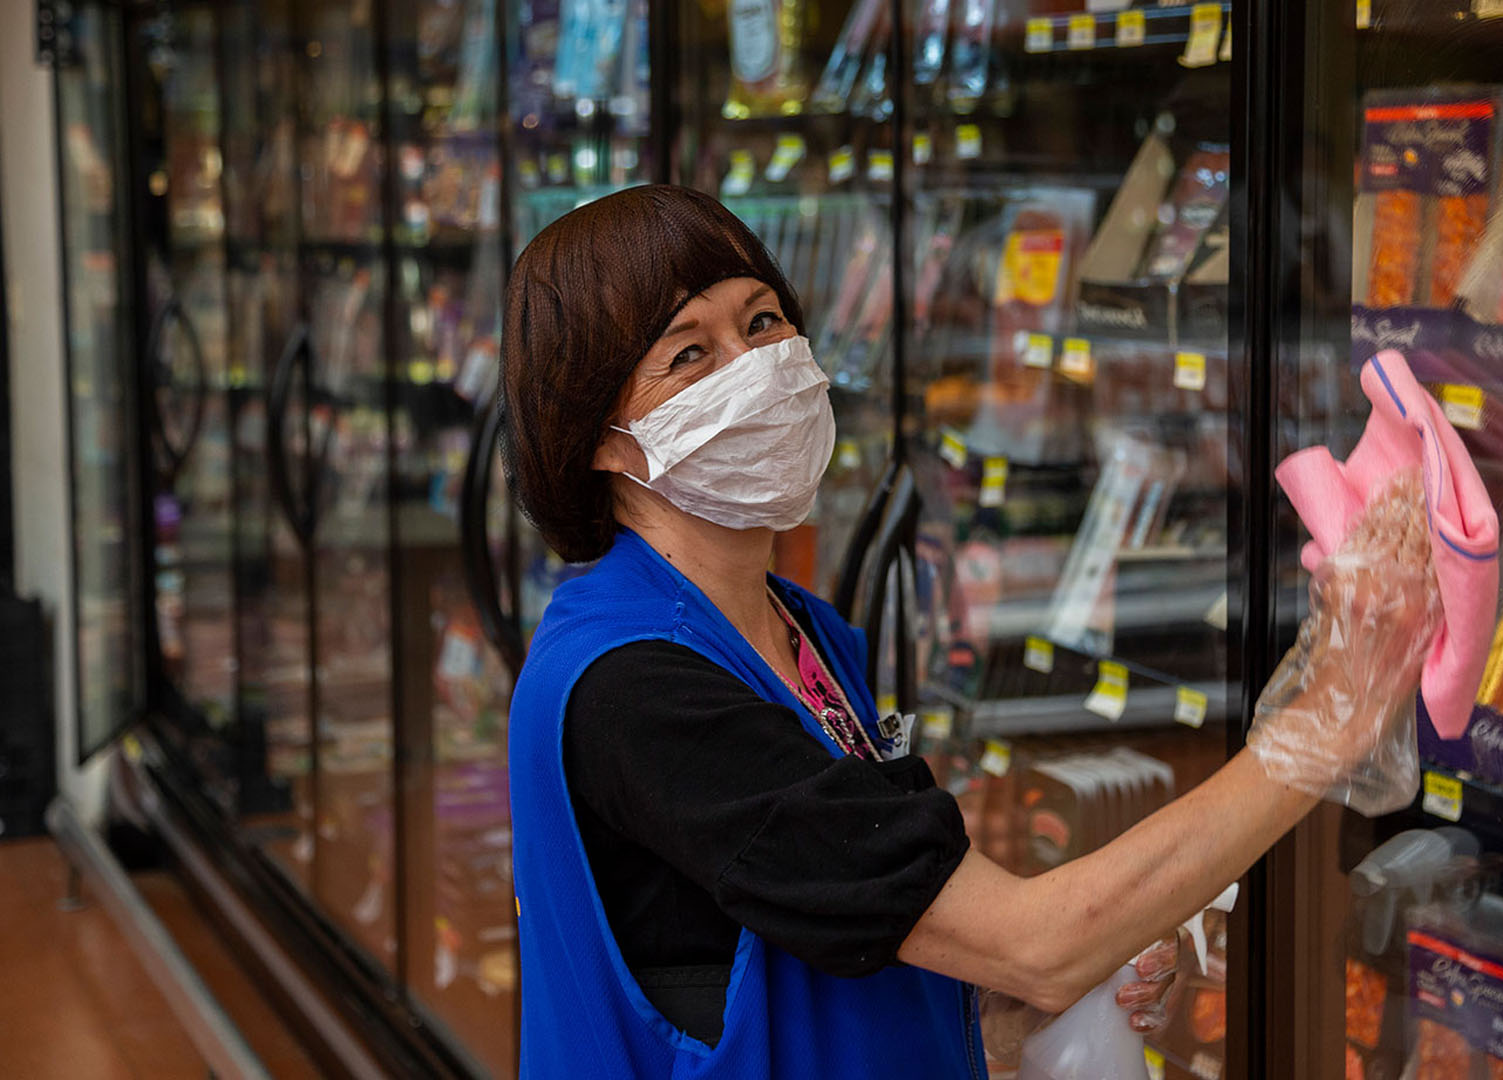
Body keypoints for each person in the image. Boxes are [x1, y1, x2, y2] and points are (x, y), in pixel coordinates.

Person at [502, 185, 1436, 1078]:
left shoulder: (798, 632)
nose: (752, 368)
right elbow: (1036, 943)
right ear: (600, 436)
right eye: (688, 356)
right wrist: (1331, 720)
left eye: (762, 321)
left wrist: (991, 1026)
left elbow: (823, 929)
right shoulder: (635, 685)